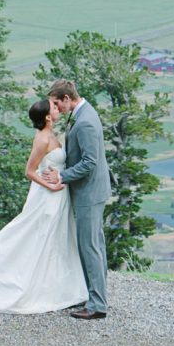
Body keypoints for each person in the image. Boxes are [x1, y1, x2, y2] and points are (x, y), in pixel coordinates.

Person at [0, 98, 87, 314]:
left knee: (58, 239)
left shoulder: (52, 135)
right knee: (43, 238)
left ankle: (60, 288)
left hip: (59, 194)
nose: (58, 108)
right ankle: (34, 287)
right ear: (48, 117)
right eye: (53, 108)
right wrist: (49, 186)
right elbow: (30, 171)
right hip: (48, 196)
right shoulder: (42, 139)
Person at [42, 79, 111, 320]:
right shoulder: (85, 113)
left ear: (67, 98)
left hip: (89, 194)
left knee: (89, 247)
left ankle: (97, 305)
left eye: (57, 103)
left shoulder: (86, 123)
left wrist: (62, 175)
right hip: (92, 192)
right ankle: (96, 296)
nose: (57, 109)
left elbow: (89, 163)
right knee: (96, 245)